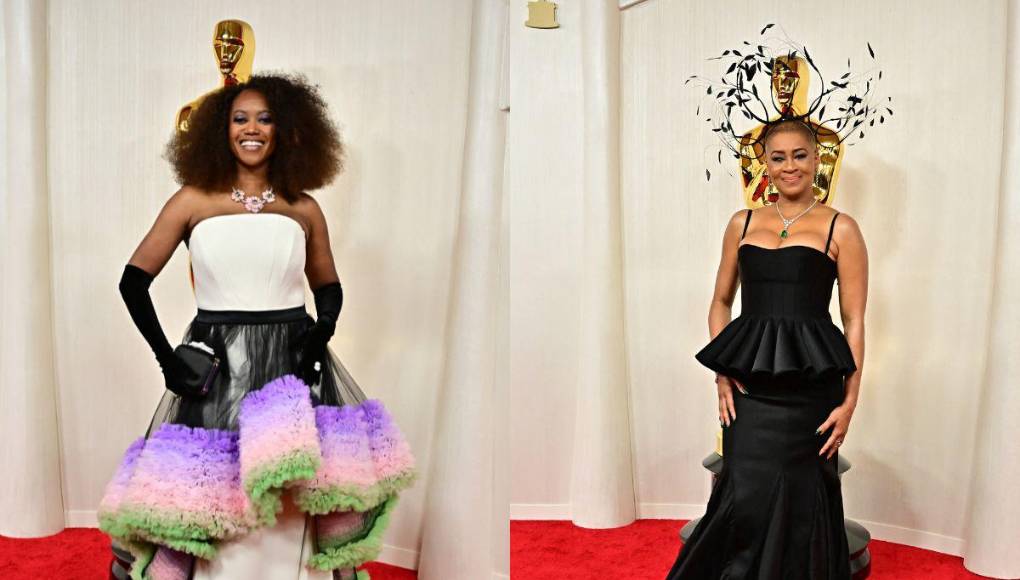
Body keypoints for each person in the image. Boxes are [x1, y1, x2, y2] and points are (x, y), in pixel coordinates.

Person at [98, 73, 416, 580]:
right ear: (220, 131)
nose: (252, 129)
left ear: (284, 130)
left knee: (293, 483)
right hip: (217, 363)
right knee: (212, 487)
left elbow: (327, 284)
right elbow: (133, 282)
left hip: (290, 364)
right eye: (239, 119)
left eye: (265, 119)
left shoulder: (303, 207)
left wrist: (325, 325)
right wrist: (165, 358)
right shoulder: (192, 201)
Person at [666, 118, 867, 580]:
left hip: (812, 390)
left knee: (803, 500)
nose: (790, 166)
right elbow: (720, 302)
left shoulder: (841, 228)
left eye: (800, 155)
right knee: (745, 494)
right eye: (778, 157)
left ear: (817, 160)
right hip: (749, 386)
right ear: (765, 165)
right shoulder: (742, 223)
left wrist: (850, 401)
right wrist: (721, 372)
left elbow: (855, 321)